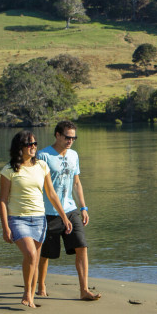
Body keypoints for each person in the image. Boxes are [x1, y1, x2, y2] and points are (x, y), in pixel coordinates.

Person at [0, 130, 72, 309]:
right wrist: (5, 227)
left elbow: (51, 194)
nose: (33, 147)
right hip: (18, 219)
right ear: (20, 147)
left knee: (33, 259)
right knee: (31, 255)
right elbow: (2, 200)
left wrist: (64, 217)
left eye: (35, 144)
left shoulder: (41, 166)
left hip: (39, 219)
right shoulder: (9, 170)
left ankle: (31, 296)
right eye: (29, 144)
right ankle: (26, 294)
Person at [36, 121, 101, 301]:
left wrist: (83, 207)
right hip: (48, 213)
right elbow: (41, 187)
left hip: (71, 210)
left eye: (73, 137)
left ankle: (84, 290)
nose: (70, 140)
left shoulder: (73, 155)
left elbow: (76, 182)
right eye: (67, 137)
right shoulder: (43, 156)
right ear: (57, 135)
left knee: (81, 246)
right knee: (46, 254)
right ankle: (40, 285)